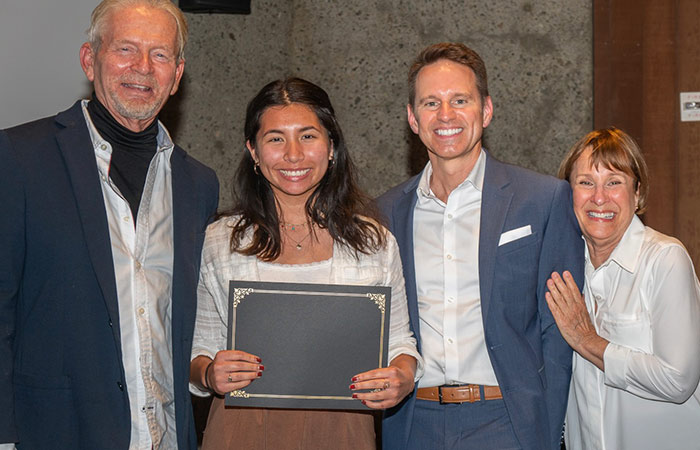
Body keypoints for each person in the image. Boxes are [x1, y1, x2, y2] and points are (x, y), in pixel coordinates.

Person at [0, 0, 219, 448]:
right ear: (90, 59)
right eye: (125, 49)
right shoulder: (18, 159)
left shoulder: (198, 184)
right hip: (54, 434)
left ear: (177, 76)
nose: (142, 67)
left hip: (167, 436)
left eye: (160, 55)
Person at [188, 77, 422, 450]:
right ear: (253, 150)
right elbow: (198, 349)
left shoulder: (373, 242)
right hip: (240, 429)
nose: (293, 154)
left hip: (343, 429)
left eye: (308, 136)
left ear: (331, 147)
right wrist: (209, 373)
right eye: (275, 138)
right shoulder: (220, 241)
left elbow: (399, 343)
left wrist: (403, 378)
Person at [377, 42, 584, 450]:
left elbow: (559, 333)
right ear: (412, 119)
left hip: (508, 422)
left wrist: (547, 429)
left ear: (486, 110)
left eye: (460, 100)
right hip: (413, 422)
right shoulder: (383, 214)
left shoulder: (541, 200)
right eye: (431, 103)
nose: (446, 115)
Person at [545, 127, 700, 450]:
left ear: (638, 193)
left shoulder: (665, 259)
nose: (599, 197)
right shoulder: (562, 272)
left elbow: (678, 380)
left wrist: (590, 342)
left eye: (614, 182)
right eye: (586, 182)